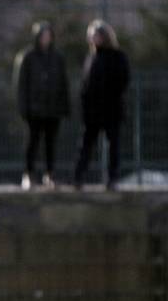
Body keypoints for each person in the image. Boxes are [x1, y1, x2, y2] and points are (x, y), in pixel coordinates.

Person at [13, 21, 70, 190]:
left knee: (50, 144)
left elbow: (63, 83)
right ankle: (28, 174)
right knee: (32, 142)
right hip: (34, 110)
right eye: (43, 35)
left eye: (48, 35)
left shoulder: (57, 57)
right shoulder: (27, 57)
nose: (46, 38)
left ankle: (49, 175)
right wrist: (24, 108)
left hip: (53, 109)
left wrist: (64, 106)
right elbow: (21, 85)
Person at [73, 19, 130, 190]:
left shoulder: (118, 56)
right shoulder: (91, 57)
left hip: (111, 109)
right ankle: (78, 177)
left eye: (96, 35)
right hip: (92, 112)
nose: (93, 39)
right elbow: (85, 85)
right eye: (91, 36)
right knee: (85, 145)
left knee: (114, 146)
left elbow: (123, 80)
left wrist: (110, 96)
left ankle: (112, 179)